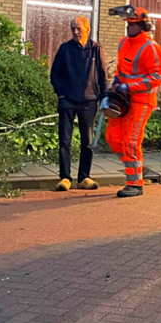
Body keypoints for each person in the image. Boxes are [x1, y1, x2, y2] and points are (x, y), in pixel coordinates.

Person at [105, 7, 161, 198]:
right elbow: (122, 69)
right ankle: (139, 168)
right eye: (127, 24)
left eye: (132, 25)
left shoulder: (152, 48)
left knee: (131, 141)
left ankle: (135, 183)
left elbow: (157, 77)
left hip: (142, 101)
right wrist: (116, 82)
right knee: (113, 138)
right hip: (123, 100)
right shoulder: (123, 42)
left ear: (142, 26)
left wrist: (129, 86)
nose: (128, 28)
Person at [49, 16, 107, 191]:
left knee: (87, 142)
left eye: (78, 29)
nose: (75, 32)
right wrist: (61, 94)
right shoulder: (65, 49)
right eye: (72, 28)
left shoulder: (96, 49)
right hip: (67, 100)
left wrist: (104, 97)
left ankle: (84, 177)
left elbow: (103, 75)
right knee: (65, 140)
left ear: (87, 30)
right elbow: (55, 74)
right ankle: (65, 178)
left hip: (89, 101)